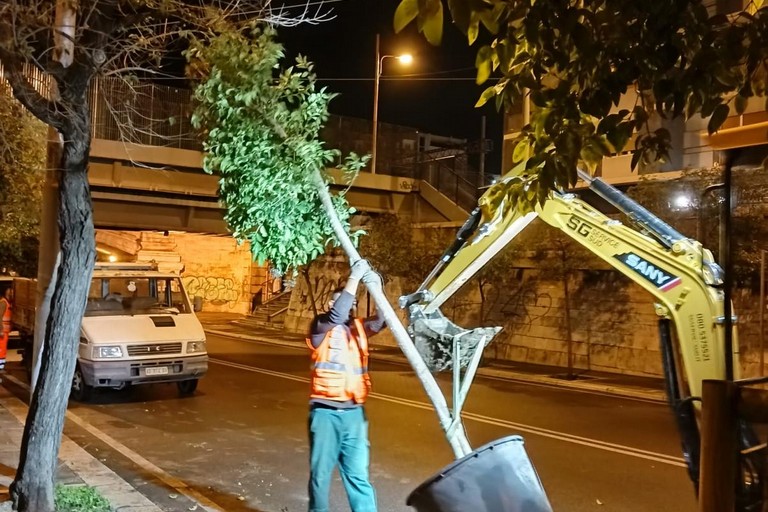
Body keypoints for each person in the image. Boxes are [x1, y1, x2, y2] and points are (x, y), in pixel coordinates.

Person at [306, 259, 385, 512]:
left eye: (351, 304)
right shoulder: (320, 326)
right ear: (331, 304)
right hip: (325, 413)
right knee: (321, 475)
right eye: (343, 302)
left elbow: (382, 319)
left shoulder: (358, 328)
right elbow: (337, 315)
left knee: (358, 476)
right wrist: (355, 277)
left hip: (354, 415)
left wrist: (376, 287)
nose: (349, 307)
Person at [0, 287, 12, 370]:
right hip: (2, 331)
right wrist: (0, 330)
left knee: (3, 350)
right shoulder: (3, 303)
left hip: (5, 331)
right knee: (1, 350)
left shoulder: (8, 303)